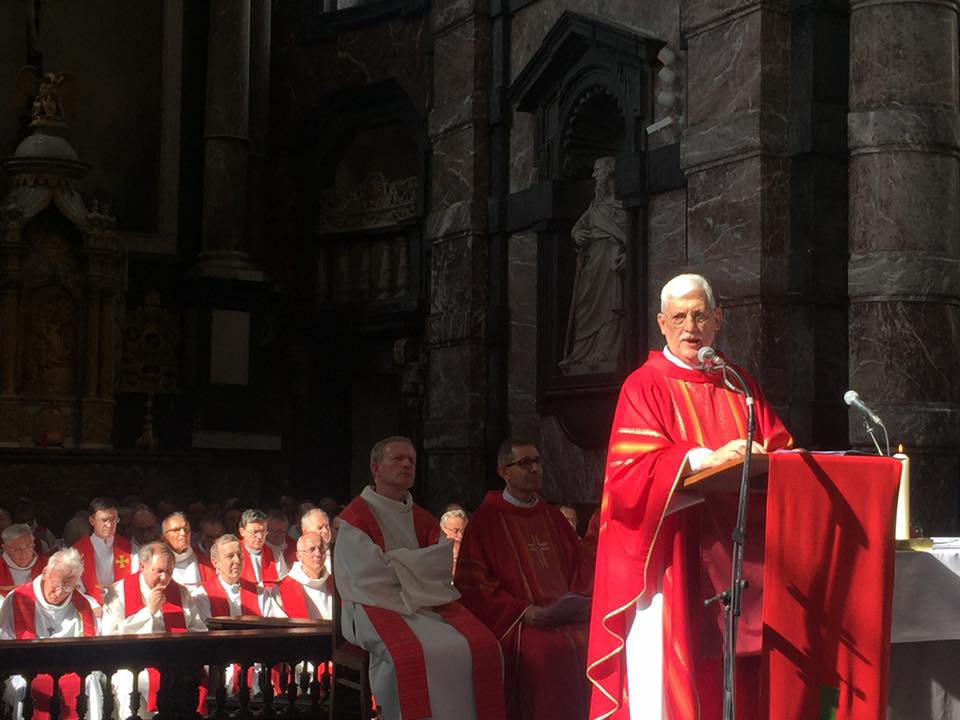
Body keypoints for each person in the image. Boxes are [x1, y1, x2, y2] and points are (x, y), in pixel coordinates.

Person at [586, 273, 793, 720]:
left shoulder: (740, 385)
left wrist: (769, 456)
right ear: (662, 323)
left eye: (700, 315)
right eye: (678, 317)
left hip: (745, 556)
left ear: (718, 320)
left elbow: (780, 449)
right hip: (675, 556)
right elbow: (628, 474)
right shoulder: (644, 385)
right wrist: (705, 458)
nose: (690, 326)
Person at [334, 436, 506, 720]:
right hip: (373, 605)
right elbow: (367, 575)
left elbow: (438, 568)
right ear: (376, 468)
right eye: (398, 459)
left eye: (411, 461)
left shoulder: (424, 519)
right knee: (414, 655)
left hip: (427, 604)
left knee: (484, 646)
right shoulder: (356, 517)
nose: (406, 464)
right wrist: (415, 567)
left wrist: (397, 562)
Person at [455, 439, 593, 720]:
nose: (535, 469)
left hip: (564, 617)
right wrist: (523, 611)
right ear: (504, 472)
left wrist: (579, 601)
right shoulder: (486, 521)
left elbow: (582, 566)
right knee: (544, 653)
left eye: (538, 462)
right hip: (519, 623)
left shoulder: (552, 517)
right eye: (525, 463)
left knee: (595, 643)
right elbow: (474, 583)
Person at [101, 541, 206, 717]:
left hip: (173, 662)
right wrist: (148, 611)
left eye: (169, 572)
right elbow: (109, 636)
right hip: (131, 662)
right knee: (129, 683)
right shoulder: (119, 592)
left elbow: (197, 629)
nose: (164, 578)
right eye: (158, 571)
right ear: (143, 566)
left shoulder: (180, 593)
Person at [0, 548, 103, 720]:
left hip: (71, 670)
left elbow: (91, 651)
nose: (60, 592)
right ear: (45, 572)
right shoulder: (17, 599)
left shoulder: (83, 607)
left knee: (89, 682)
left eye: (68, 586)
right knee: (24, 685)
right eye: (56, 585)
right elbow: (5, 640)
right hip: (27, 669)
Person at [559, 156, 628, 375]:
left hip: (610, 261)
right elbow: (577, 227)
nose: (593, 176)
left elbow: (633, 235)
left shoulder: (622, 204)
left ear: (610, 175)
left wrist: (628, 254)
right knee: (585, 306)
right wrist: (578, 234)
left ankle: (604, 352)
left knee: (610, 306)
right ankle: (580, 353)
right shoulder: (594, 207)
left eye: (598, 171)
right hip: (591, 263)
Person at [193, 534, 285, 619]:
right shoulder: (202, 594)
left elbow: (277, 625)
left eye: (239, 555)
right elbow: (202, 631)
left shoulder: (259, 592)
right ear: (215, 562)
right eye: (230, 556)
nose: (237, 560)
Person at [73, 497, 134, 604]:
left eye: (114, 520)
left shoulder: (129, 548)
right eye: (104, 520)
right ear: (92, 520)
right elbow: (75, 586)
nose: (110, 525)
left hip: (123, 604)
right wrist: (92, 605)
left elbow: (136, 579)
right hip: (93, 608)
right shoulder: (77, 551)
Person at [276, 532, 333, 620]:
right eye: (312, 549)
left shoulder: (334, 583)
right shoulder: (283, 588)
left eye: (321, 548)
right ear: (299, 556)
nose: (318, 554)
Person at [160, 512, 210, 587]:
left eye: (186, 529)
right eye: (176, 530)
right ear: (163, 538)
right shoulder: (157, 564)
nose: (183, 533)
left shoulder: (204, 561)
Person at [238, 509, 282, 587]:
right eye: (255, 532)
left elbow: (283, 584)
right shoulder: (234, 554)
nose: (260, 536)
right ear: (242, 532)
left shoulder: (275, 554)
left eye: (263, 531)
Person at [0, 524, 47, 595]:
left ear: (33, 543)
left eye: (28, 547)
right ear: (5, 548)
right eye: (16, 550)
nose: (24, 554)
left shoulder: (48, 564)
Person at [263, 508, 296, 576]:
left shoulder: (293, 545)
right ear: (266, 530)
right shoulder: (258, 547)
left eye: (283, 532)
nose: (279, 536)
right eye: (276, 532)